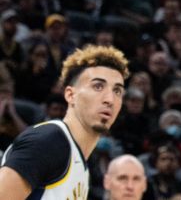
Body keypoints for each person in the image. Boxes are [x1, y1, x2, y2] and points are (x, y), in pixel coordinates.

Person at [0, 45, 129, 199]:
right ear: (70, 95)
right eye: (98, 86)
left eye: (117, 91)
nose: (110, 99)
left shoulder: (81, 168)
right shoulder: (49, 140)